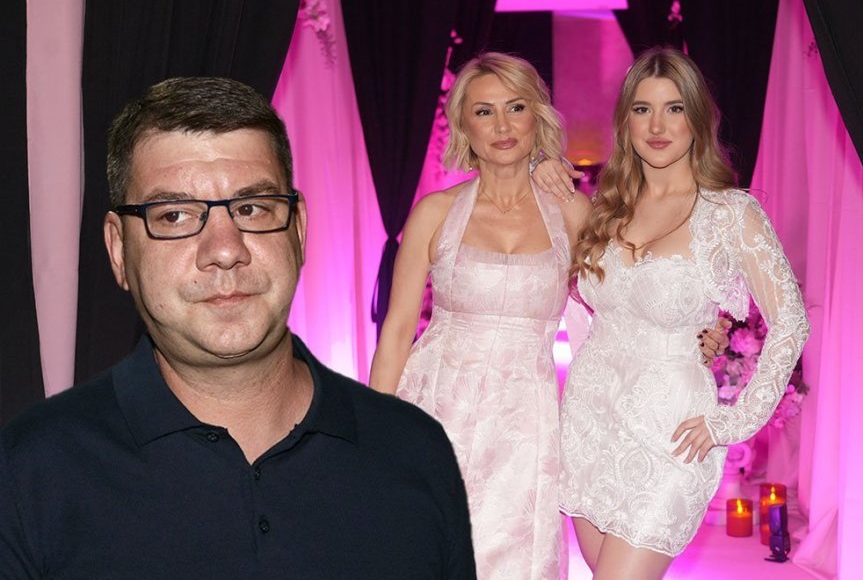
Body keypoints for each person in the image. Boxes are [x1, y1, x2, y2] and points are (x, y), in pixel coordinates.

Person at [0, 77, 475, 579]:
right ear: (119, 250)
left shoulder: (414, 450)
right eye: (175, 215)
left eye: (251, 208)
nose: (225, 249)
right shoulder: (31, 471)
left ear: (298, 229)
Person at [368, 52, 727, 579]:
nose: (502, 125)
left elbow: (632, 301)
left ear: (536, 115)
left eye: (516, 107)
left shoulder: (573, 213)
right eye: (484, 111)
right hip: (437, 407)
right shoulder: (434, 213)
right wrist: (372, 434)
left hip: (526, 423)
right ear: (463, 124)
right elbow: (398, 331)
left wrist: (699, 330)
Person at [558, 47, 810, 580]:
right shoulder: (607, 209)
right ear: (625, 122)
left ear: (697, 119)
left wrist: (735, 420)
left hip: (672, 429)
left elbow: (791, 321)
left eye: (674, 108)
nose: (657, 125)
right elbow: (589, 307)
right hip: (589, 418)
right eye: (642, 109)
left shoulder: (730, 214)